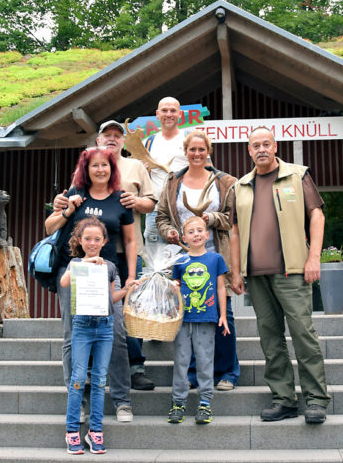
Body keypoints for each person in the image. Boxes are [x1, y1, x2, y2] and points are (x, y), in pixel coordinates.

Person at [229, 127, 331, 424]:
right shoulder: (240, 186)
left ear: (275, 147)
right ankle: (284, 399)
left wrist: (314, 258)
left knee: (303, 334)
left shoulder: (298, 176)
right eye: (255, 145)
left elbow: (317, 215)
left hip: (293, 271)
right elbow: (234, 232)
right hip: (257, 276)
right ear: (249, 151)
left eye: (266, 144)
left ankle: (315, 399)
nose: (261, 149)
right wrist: (236, 271)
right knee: (270, 339)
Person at [56, 120, 158, 392]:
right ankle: (87, 371)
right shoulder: (86, 166)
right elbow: (69, 206)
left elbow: (151, 202)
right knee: (89, 313)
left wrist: (134, 202)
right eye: (107, 135)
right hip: (89, 259)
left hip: (124, 254)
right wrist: (61, 205)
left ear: (123, 141)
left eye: (117, 135)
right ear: (99, 140)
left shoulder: (135, 166)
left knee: (125, 315)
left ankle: (135, 368)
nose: (112, 139)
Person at [46, 146, 137, 423]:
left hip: (107, 272)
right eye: (94, 165)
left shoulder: (121, 199)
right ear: (86, 169)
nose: (100, 170)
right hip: (73, 270)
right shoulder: (73, 194)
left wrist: (131, 275)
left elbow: (131, 241)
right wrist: (68, 209)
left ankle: (122, 400)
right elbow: (50, 227)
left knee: (118, 333)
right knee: (73, 335)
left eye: (105, 165)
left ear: (112, 169)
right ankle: (80, 400)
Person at [156, 129, 240, 391]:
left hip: (214, 257)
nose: (196, 153)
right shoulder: (172, 182)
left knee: (222, 313)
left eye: (201, 149)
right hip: (183, 260)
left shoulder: (224, 182)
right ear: (186, 151)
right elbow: (161, 216)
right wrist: (168, 231)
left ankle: (227, 372)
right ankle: (193, 373)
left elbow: (233, 217)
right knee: (189, 316)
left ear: (208, 152)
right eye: (192, 149)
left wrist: (212, 219)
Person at [61, 217, 137, 455]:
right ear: (79, 241)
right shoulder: (75, 263)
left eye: (97, 239)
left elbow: (111, 298)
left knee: (100, 381)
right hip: (82, 326)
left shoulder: (111, 267)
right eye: (87, 239)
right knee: (77, 378)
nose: (92, 243)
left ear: (104, 241)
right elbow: (64, 283)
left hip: (105, 326)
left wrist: (126, 289)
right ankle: (72, 431)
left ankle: (96, 432)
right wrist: (82, 264)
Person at [168, 216, 230, 425]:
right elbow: (175, 286)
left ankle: (205, 402)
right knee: (181, 361)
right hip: (182, 321)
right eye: (191, 232)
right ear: (184, 238)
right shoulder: (180, 261)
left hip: (206, 318)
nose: (196, 234)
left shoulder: (215, 259)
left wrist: (223, 315)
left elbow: (221, 287)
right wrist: (173, 288)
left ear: (207, 234)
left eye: (199, 230)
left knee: (205, 360)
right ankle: (178, 402)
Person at [143, 96, 188, 252]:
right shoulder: (148, 142)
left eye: (173, 110)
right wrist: (144, 171)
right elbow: (141, 179)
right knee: (155, 265)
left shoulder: (190, 138)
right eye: (164, 110)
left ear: (180, 114)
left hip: (184, 211)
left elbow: (207, 171)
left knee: (186, 264)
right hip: (155, 212)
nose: (168, 114)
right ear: (157, 114)